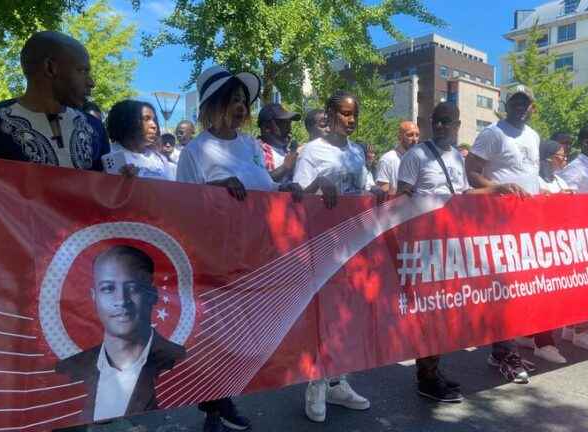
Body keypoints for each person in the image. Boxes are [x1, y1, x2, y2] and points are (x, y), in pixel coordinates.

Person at [176, 66, 303, 431]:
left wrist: (289, 191)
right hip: (215, 258)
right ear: (211, 106)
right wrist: (214, 193)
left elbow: (261, 188)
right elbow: (181, 209)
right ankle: (214, 409)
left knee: (240, 334)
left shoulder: (249, 146)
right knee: (215, 334)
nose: (239, 107)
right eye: (231, 100)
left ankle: (223, 396)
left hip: (255, 255)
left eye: (242, 101)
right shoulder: (195, 152)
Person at [293, 90, 381, 423]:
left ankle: (338, 382)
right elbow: (296, 198)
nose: (351, 120)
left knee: (346, 318)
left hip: (354, 247)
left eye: (354, 114)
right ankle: (315, 385)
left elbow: (365, 186)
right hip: (321, 247)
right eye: (344, 114)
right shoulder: (312, 152)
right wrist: (318, 183)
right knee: (322, 317)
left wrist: (374, 191)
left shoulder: (357, 153)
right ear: (330, 114)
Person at [396, 102, 476, 403]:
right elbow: (401, 198)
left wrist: (496, 192)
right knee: (429, 312)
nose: (441, 126)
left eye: (446, 122)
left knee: (443, 310)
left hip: (451, 245)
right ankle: (426, 378)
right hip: (425, 247)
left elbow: (463, 195)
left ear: (457, 125)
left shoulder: (456, 156)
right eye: (436, 121)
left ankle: (433, 369)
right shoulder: (416, 155)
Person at [55, 245, 186, 423]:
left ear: (153, 295)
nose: (121, 301)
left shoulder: (184, 364)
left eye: (133, 288)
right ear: (94, 297)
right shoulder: (65, 373)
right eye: (108, 289)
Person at [465, 85, 540, 384]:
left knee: (520, 287)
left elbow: (530, 176)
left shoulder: (533, 136)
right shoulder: (493, 134)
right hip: (499, 222)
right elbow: (470, 171)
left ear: (531, 106)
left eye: (525, 102)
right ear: (505, 105)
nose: (520, 106)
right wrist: (496, 189)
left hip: (528, 221)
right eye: (515, 101)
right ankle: (504, 351)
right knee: (504, 288)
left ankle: (501, 350)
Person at [0, 31, 109, 170]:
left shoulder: (95, 129)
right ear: (50, 67)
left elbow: (105, 186)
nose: (91, 82)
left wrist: (123, 178)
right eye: (83, 70)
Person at [551, 126, 588, 353]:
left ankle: (571, 327)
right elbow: (564, 199)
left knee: (587, 284)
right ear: (586, 143)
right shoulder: (577, 168)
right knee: (586, 285)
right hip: (582, 238)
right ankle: (583, 331)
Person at [515, 139, 572, 364]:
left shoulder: (560, 180)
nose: (564, 159)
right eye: (561, 156)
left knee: (551, 296)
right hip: (537, 246)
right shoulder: (533, 181)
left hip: (557, 246)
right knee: (542, 296)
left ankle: (529, 335)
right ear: (547, 158)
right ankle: (544, 342)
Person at [105, 100, 174, 181]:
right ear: (126, 121)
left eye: (154, 120)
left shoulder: (160, 159)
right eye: (146, 119)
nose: (154, 125)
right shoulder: (110, 154)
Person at [257, 103, 301, 183]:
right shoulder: (254, 150)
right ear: (267, 127)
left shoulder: (288, 152)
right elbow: (257, 181)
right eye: (284, 124)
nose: (289, 129)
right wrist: (285, 167)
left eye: (289, 124)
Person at [375, 121, 420, 194]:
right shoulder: (388, 160)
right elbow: (383, 192)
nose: (415, 139)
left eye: (417, 135)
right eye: (410, 135)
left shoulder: (419, 159)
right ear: (399, 137)